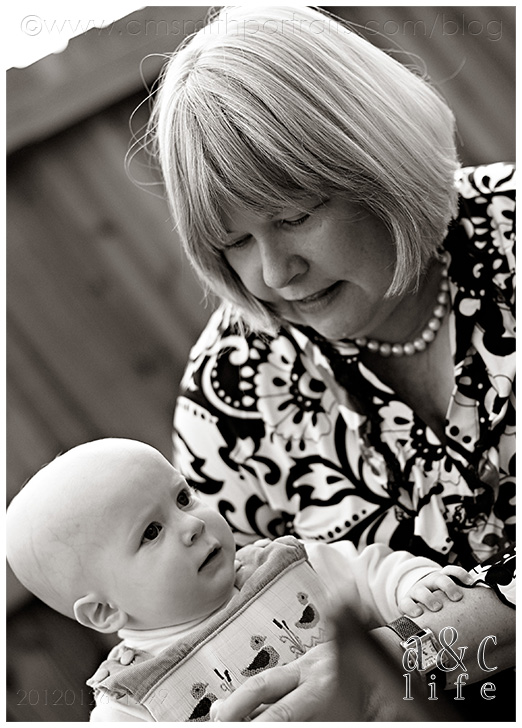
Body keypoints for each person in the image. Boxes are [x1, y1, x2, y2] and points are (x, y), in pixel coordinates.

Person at [146, 5, 515, 719]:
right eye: (233, 242)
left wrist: (409, 660)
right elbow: (226, 637)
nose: (273, 273)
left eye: (292, 217)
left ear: (379, 162)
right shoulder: (232, 394)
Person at [6, 437, 474, 721]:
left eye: (183, 498)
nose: (192, 525)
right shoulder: (131, 702)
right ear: (105, 610)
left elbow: (370, 574)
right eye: (151, 532)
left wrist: (413, 585)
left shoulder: (286, 566)